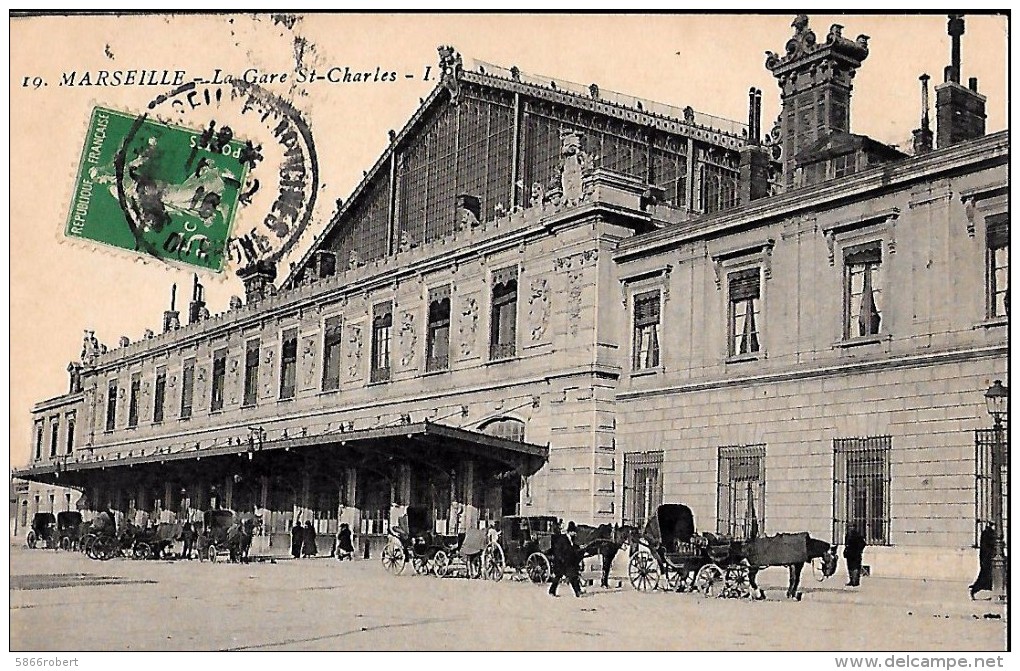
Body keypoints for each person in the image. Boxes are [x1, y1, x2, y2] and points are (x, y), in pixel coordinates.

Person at [549, 521, 583, 597]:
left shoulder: (572, 539)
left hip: (568, 562)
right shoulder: (562, 539)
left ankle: (577, 591)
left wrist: (580, 548)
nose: (575, 534)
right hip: (560, 562)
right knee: (558, 577)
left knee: (573, 576)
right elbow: (557, 551)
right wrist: (562, 559)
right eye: (574, 532)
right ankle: (552, 591)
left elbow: (573, 548)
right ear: (570, 532)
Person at [969, 523, 996, 599]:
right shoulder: (988, 533)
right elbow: (988, 546)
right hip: (987, 558)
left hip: (988, 558)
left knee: (987, 576)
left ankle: (977, 590)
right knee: (985, 576)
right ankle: (975, 590)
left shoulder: (988, 533)